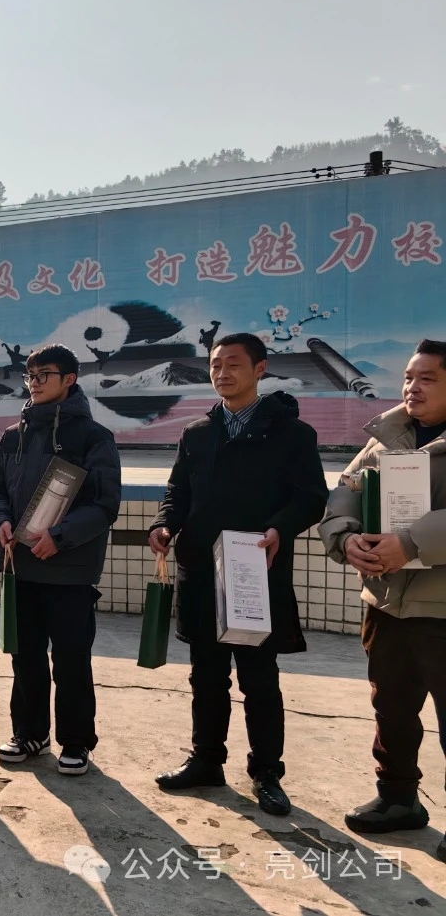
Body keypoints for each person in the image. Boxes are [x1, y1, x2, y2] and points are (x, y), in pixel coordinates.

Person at [149, 333, 327, 816]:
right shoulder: (197, 432)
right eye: (215, 365)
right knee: (206, 676)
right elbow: (177, 491)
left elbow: (311, 498)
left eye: (233, 364)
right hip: (201, 571)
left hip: (255, 572)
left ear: (260, 369)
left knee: (259, 680)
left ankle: (266, 773)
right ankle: (206, 760)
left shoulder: (291, 433)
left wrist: (279, 529)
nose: (222, 373)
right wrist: (164, 524)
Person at [319, 339, 446, 851]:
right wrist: (345, 537)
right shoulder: (387, 436)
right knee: (391, 707)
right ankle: (398, 798)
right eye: (409, 377)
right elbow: (345, 490)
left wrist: (412, 543)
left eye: (427, 378)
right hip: (387, 603)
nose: (412, 387)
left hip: (441, 607)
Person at [0, 344, 122, 775]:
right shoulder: (12, 436)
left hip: (69, 570)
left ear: (69, 379)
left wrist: (59, 537)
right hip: (19, 565)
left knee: (71, 659)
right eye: (31, 376)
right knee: (25, 657)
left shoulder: (93, 437)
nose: (35, 383)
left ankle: (76, 742)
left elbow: (104, 504)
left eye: (45, 375)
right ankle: (30, 733)